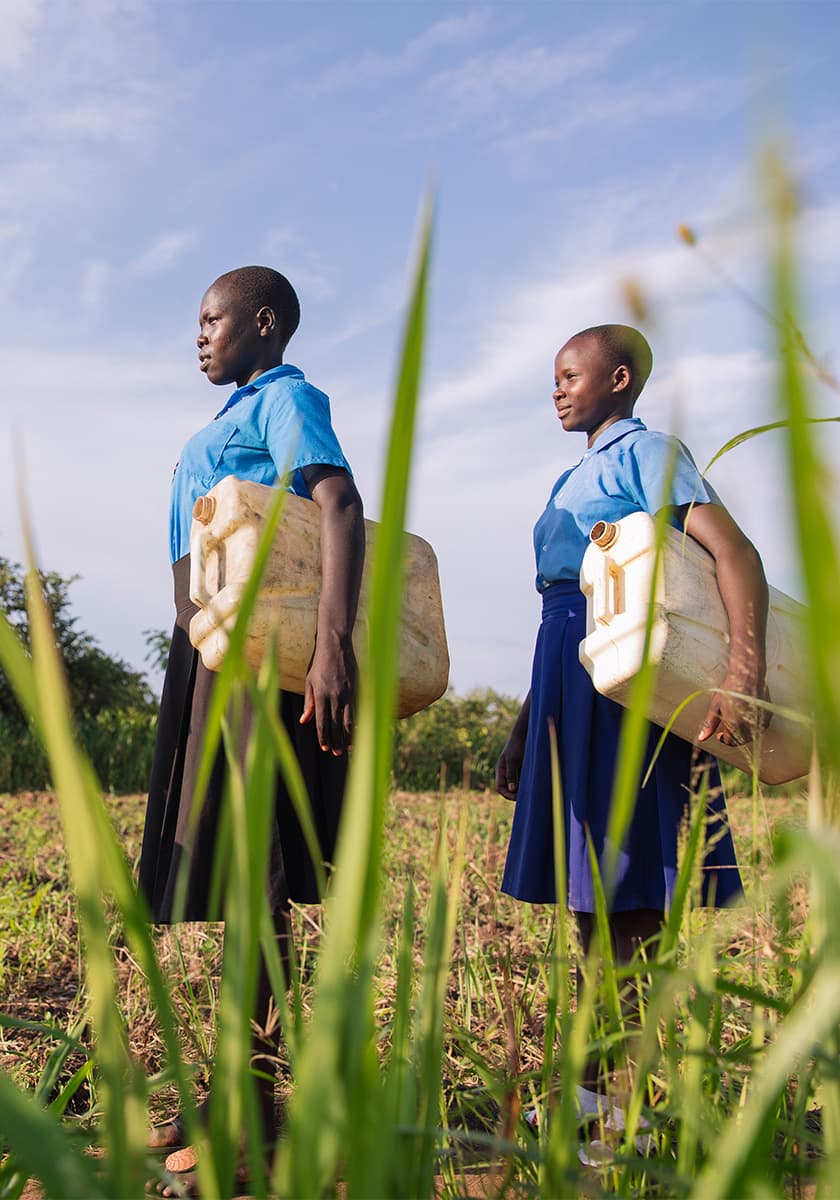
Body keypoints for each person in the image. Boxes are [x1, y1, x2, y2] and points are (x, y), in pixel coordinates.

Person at [496, 324, 769, 1154]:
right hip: (569, 682)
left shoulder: (648, 456)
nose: (558, 388)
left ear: (619, 379)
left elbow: (736, 555)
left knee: (629, 901)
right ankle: (594, 1099)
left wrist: (743, 674)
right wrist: (525, 724)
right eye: (553, 377)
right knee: (587, 904)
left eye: (572, 375)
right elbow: (559, 615)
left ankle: (623, 1117)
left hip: (630, 690)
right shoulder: (569, 476)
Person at [137, 265, 365, 1194]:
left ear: (263, 324)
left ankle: (253, 1124)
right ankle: (239, 1110)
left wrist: (331, 647)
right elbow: (186, 567)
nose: (199, 335)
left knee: (261, 884)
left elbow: (337, 503)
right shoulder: (204, 437)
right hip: (207, 664)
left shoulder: (287, 400)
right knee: (230, 875)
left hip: (270, 665)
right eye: (196, 322)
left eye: (213, 319)